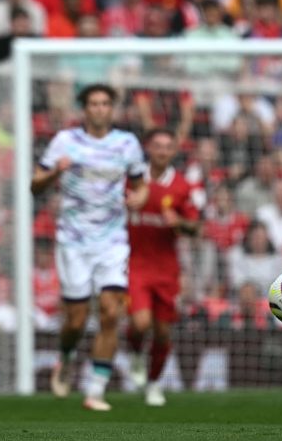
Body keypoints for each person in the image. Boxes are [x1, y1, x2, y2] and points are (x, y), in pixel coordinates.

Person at [31, 83, 148, 411]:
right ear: (85, 108)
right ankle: (66, 358)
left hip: (113, 242)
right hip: (73, 241)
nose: (99, 109)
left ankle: (95, 391)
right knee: (76, 320)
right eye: (93, 104)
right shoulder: (65, 141)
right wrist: (56, 171)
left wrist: (137, 199)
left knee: (112, 312)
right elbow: (34, 184)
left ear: (113, 109)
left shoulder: (127, 144)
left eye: (105, 104)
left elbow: (140, 187)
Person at [126, 129, 202, 407]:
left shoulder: (182, 187)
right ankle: (135, 354)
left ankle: (154, 384)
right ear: (148, 148)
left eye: (167, 147)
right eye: (157, 146)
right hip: (135, 264)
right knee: (140, 322)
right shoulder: (132, 180)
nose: (161, 151)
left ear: (173, 152)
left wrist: (179, 223)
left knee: (162, 332)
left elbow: (196, 227)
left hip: (167, 269)